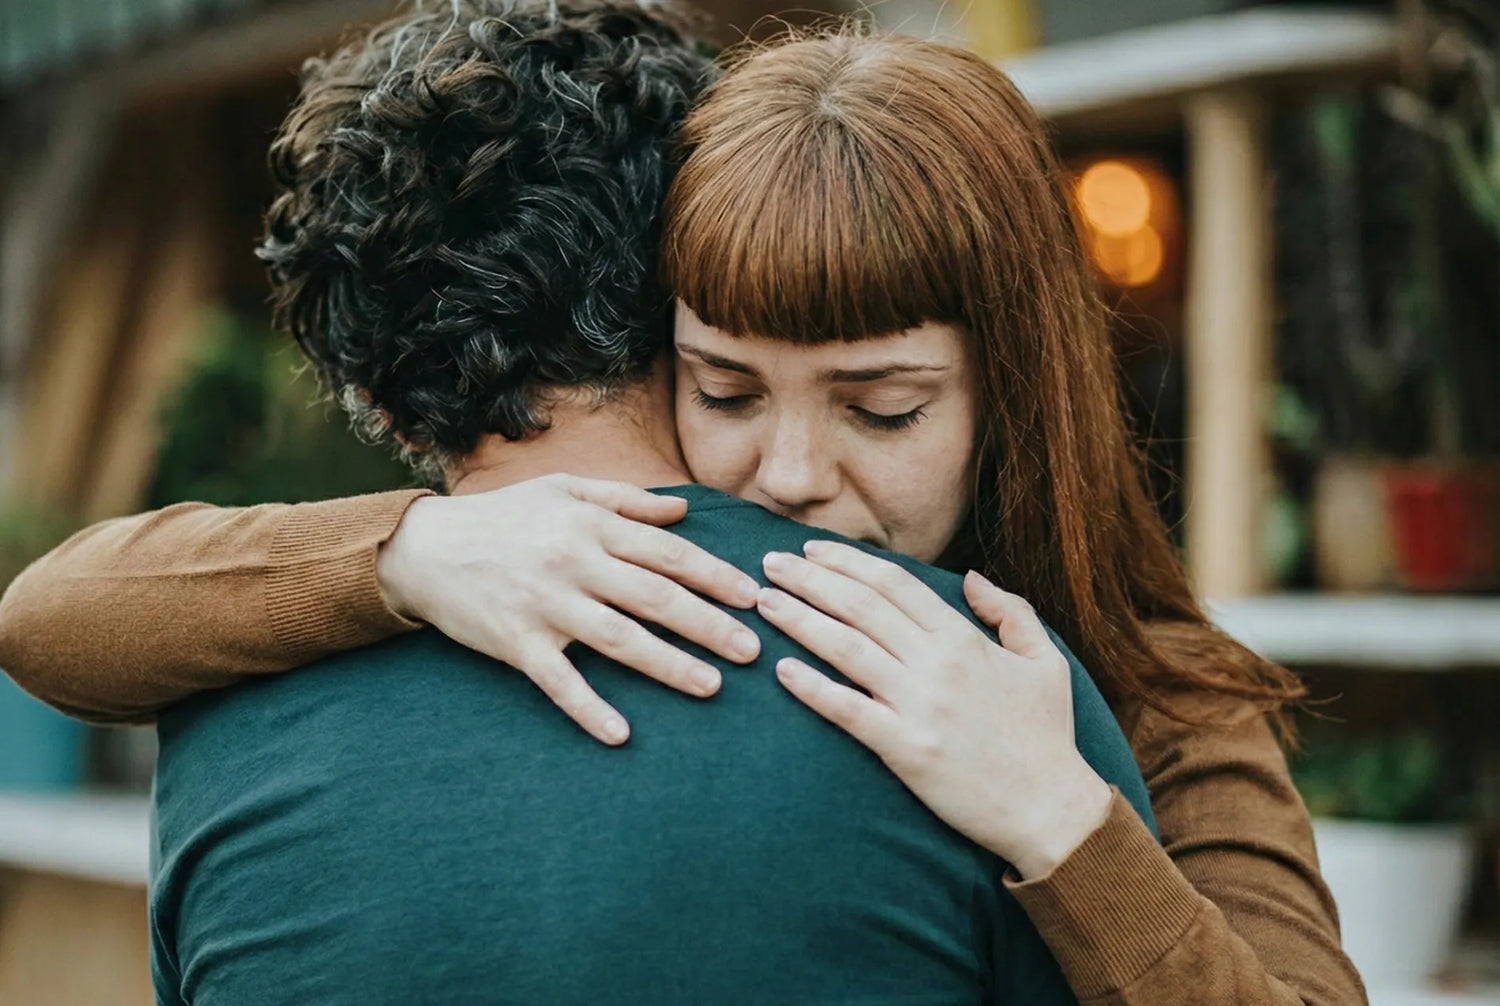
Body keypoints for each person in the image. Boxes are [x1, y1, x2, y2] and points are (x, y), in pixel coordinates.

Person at [0, 16, 1367, 1006]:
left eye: (880, 409)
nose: (786, 476)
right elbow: (52, 615)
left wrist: (1063, 822)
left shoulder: (1158, 698)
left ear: (1015, 391)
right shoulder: (544, 572)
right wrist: (411, 552)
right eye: (724, 388)